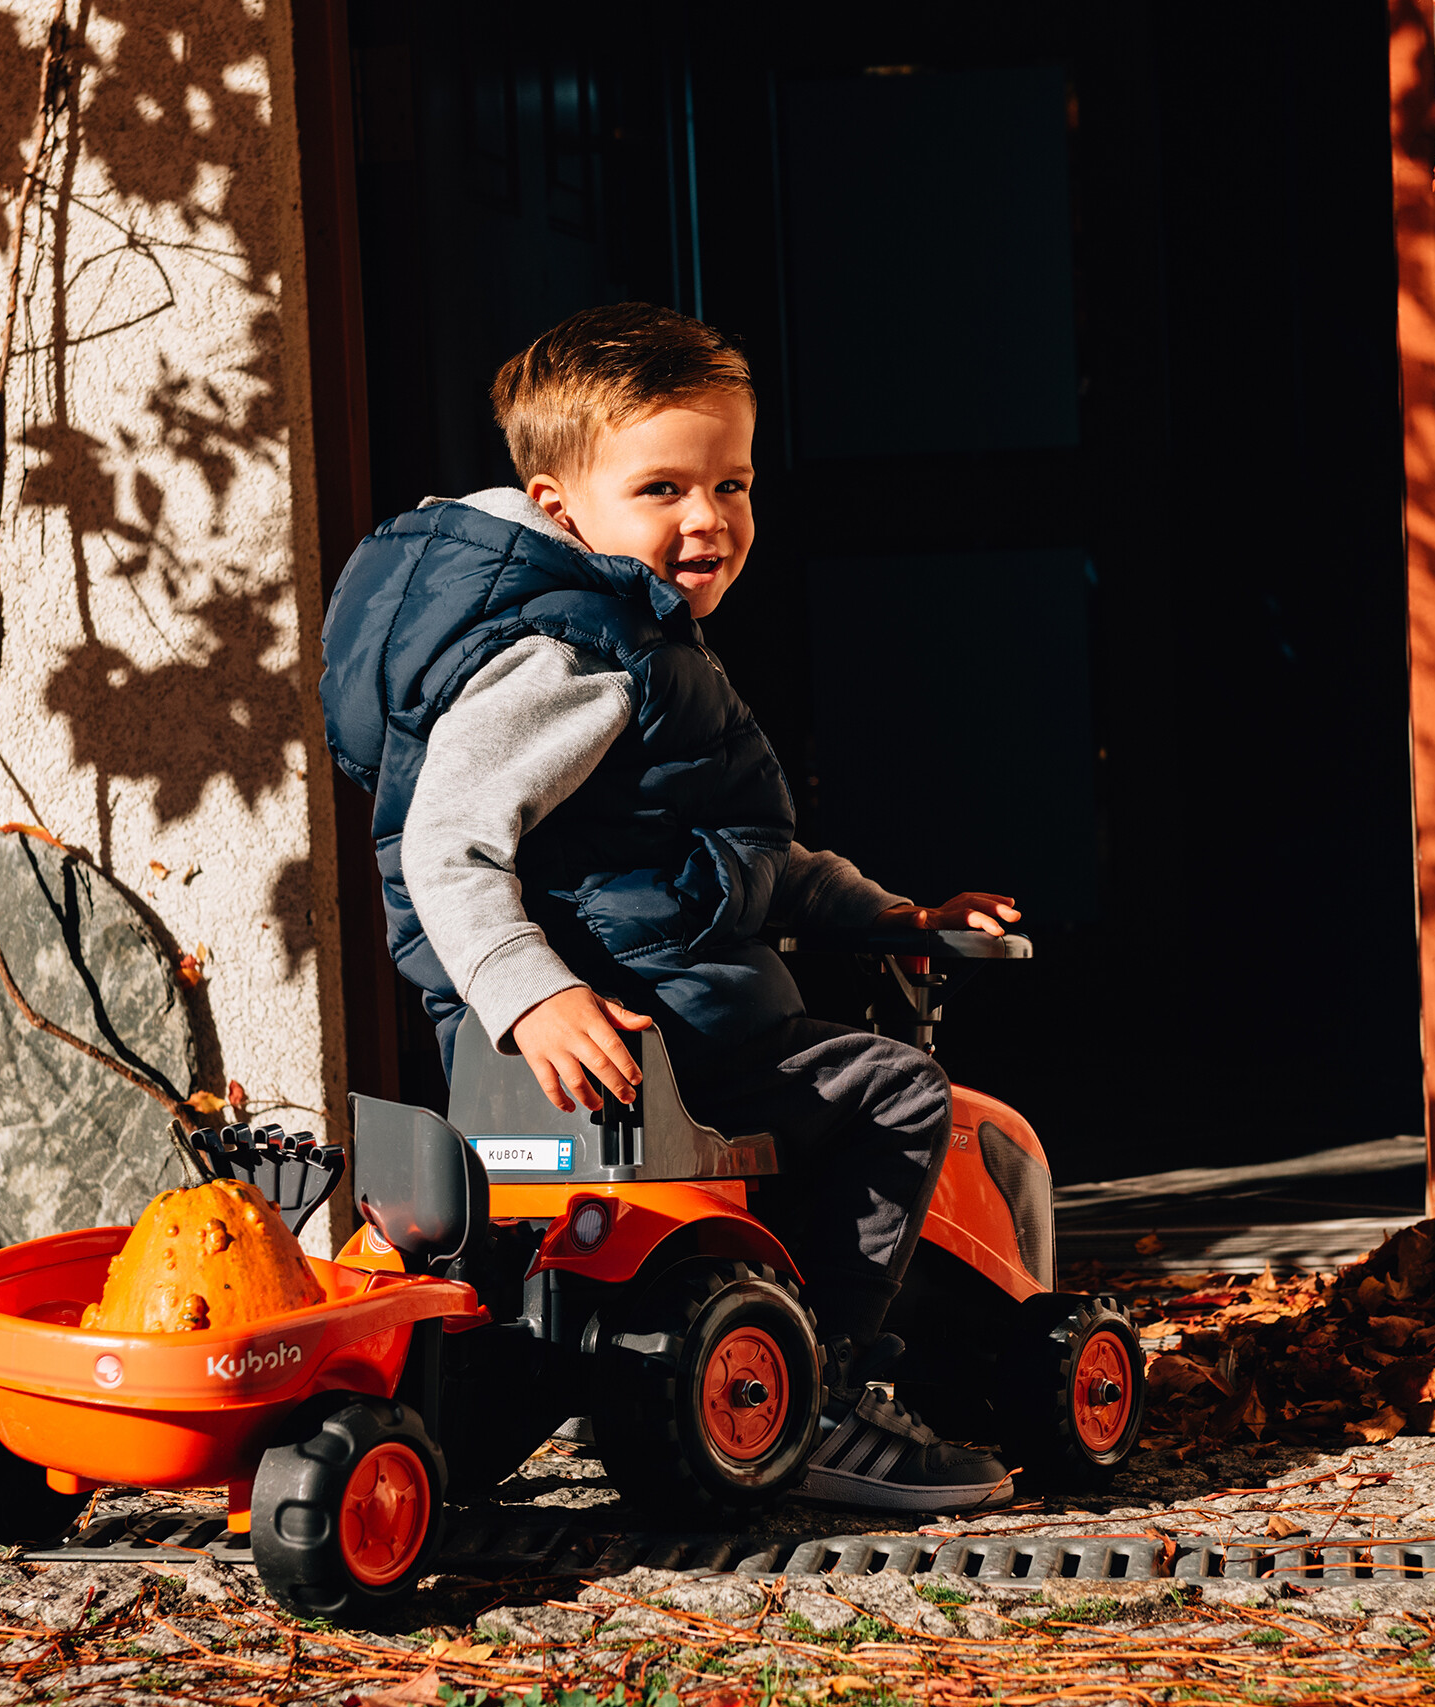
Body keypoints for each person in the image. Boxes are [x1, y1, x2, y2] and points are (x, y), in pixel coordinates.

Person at [316, 302, 1019, 1512]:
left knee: (832, 1075)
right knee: (901, 1093)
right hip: (651, 1044)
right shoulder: (573, 659)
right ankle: (835, 1386)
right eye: (662, 488)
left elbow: (750, 858)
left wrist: (894, 913)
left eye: (732, 483)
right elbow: (447, 846)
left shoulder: (638, 644)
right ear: (556, 505)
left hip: (639, 1024)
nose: (709, 519)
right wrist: (532, 997)